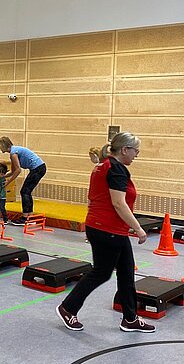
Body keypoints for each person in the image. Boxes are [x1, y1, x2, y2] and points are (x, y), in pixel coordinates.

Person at [56, 132, 155, 333]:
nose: (137, 155)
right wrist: (138, 228)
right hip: (107, 229)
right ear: (125, 150)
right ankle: (68, 308)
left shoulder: (104, 165)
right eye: (136, 151)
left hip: (108, 228)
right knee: (101, 273)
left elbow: (94, 197)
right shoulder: (116, 169)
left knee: (126, 273)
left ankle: (130, 318)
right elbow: (118, 203)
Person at [0, 136, 47, 226]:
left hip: (38, 168)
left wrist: (8, 182)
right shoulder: (13, 152)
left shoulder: (13, 153)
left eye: (0, 146)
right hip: (39, 168)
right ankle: (30, 217)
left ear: (3, 145)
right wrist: (3, 176)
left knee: (24, 192)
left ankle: (25, 218)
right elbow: (13, 171)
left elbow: (18, 170)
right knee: (26, 192)